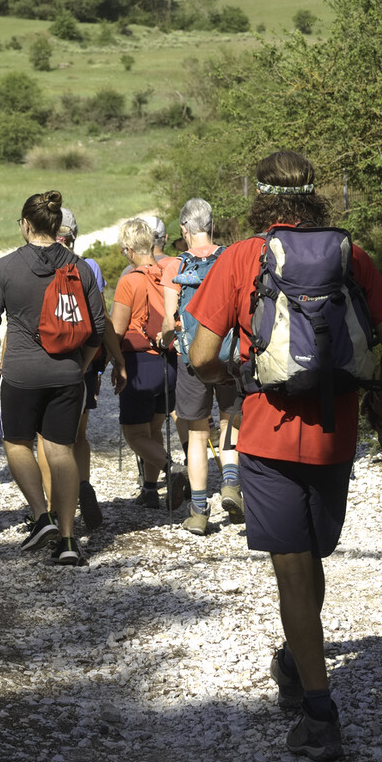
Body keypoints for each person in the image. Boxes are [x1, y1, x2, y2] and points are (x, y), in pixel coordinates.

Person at [186, 151, 382, 762]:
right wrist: (380, 398)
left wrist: (230, 389)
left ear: (259, 196)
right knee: (313, 558)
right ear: (315, 196)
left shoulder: (240, 258)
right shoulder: (349, 255)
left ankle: (319, 712)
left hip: (267, 433)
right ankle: (296, 660)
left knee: (291, 568)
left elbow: (202, 354)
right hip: (335, 434)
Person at [0, 191, 112, 566]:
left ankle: (41, 515)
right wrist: (80, 366)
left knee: (17, 442)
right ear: (56, 227)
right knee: (60, 450)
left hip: (20, 375)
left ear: (26, 225)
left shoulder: (4, 268)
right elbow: (98, 328)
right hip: (68, 374)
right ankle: (68, 540)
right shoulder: (80, 268)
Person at [35, 207, 126, 530]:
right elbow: (101, 321)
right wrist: (118, 359)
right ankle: (83, 486)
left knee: (47, 437)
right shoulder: (88, 267)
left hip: (43, 360)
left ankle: (52, 504)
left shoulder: (34, 265)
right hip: (82, 362)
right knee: (78, 434)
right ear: (75, 235)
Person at [162, 197, 239, 535]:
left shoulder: (173, 267)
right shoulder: (232, 258)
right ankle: (232, 486)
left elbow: (168, 321)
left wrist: (166, 337)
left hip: (191, 358)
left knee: (197, 435)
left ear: (184, 230)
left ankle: (197, 511)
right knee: (230, 424)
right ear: (211, 225)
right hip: (228, 355)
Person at [111, 217, 177, 509]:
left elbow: (116, 330)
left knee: (135, 434)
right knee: (153, 429)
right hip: (169, 364)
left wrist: (116, 363)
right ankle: (150, 490)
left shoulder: (129, 281)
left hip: (140, 366)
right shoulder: (171, 272)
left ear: (128, 249)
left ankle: (171, 468)